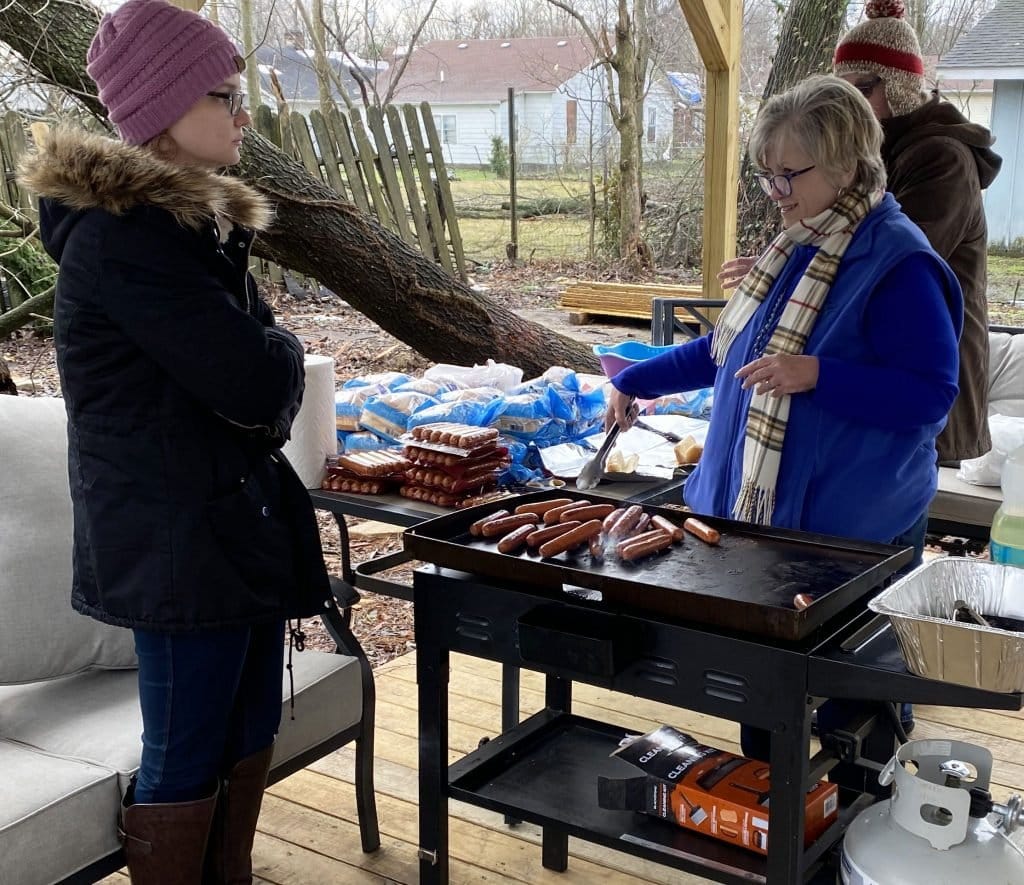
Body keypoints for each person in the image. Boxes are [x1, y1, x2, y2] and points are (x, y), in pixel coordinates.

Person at [18, 1, 331, 881]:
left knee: (245, 733)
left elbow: (258, 374)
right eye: (225, 96)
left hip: (229, 527)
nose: (243, 116)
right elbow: (261, 376)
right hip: (177, 543)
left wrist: (272, 368)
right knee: (185, 754)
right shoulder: (126, 239)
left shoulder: (196, 227)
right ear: (161, 109)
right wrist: (276, 367)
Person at [605, 74, 962, 763]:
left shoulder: (898, 263)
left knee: (854, 709)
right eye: (767, 176)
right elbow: (724, 353)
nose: (777, 194)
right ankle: (769, 819)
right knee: (763, 698)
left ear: (849, 165)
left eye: (788, 175)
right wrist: (636, 381)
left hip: (851, 536)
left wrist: (819, 376)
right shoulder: (795, 248)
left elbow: (929, 396)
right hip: (762, 527)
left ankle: (848, 839)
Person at [722, 0, 1001, 467]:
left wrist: (791, 266)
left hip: (920, 359)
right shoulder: (880, 148)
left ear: (902, 86)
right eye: (841, 89)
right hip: (864, 362)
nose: (851, 103)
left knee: (904, 488)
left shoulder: (942, 159)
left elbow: (883, 263)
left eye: (863, 89)